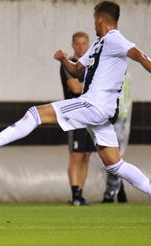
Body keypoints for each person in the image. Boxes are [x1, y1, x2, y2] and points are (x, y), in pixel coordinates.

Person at [0, 1, 151, 228]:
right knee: (114, 164)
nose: (93, 22)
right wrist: (64, 59)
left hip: (93, 105)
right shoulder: (98, 45)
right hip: (99, 111)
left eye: (95, 18)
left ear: (101, 19)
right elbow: (77, 70)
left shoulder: (114, 38)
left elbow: (139, 55)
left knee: (35, 114)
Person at [58, 31, 94, 206]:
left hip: (90, 117)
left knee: (87, 155)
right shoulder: (69, 64)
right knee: (76, 155)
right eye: (78, 43)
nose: (81, 47)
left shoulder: (91, 64)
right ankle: (74, 194)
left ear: (89, 45)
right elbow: (75, 87)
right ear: (73, 45)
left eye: (84, 43)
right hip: (74, 116)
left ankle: (80, 192)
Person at [102, 74, 131, 203]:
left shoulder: (116, 72)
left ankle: (112, 191)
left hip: (116, 116)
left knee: (113, 156)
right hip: (119, 115)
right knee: (114, 156)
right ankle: (120, 190)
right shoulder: (125, 73)